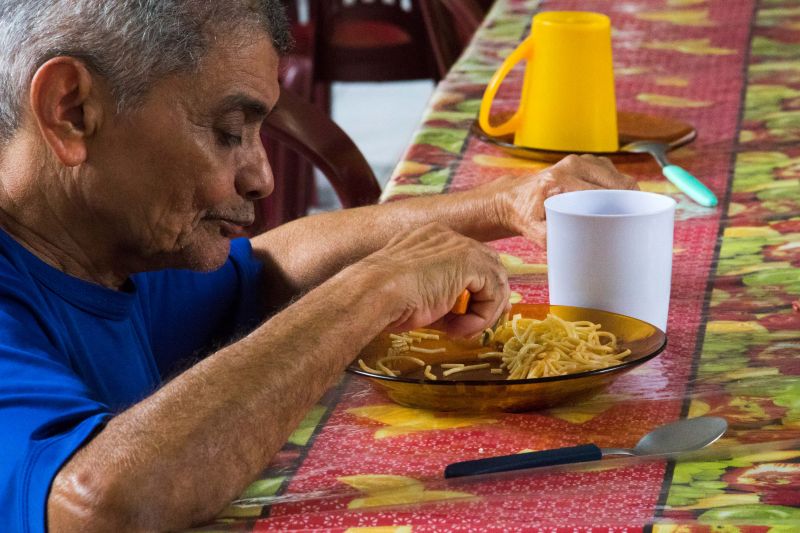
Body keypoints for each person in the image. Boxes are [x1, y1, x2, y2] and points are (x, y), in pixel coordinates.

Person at [0, 1, 637, 531]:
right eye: (228, 132)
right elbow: (99, 506)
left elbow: (271, 266)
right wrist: (372, 290)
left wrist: (504, 202)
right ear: (72, 109)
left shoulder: (103, 242)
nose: (261, 176)